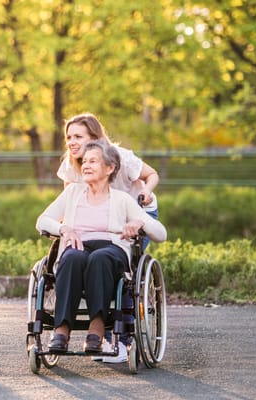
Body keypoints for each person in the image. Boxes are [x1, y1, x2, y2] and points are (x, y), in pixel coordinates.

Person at [36, 140, 167, 358]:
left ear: (110, 168)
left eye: (93, 161)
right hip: (77, 245)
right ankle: (62, 329)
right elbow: (42, 220)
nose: (86, 165)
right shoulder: (73, 193)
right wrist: (63, 228)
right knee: (71, 259)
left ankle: (97, 327)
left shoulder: (122, 199)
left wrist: (140, 224)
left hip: (111, 249)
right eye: (84, 161)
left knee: (100, 258)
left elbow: (161, 234)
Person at [57, 113, 160, 250]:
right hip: (101, 212)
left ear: (94, 138)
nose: (71, 142)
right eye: (69, 137)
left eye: (78, 137)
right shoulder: (70, 163)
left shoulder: (121, 157)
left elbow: (152, 174)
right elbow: (69, 200)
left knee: (121, 255)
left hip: (136, 211)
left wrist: (146, 190)